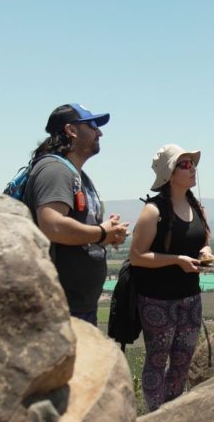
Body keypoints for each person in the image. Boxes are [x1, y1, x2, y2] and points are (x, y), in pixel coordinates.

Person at [23, 103, 129, 325]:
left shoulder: (77, 175)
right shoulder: (55, 170)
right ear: (71, 130)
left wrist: (108, 234)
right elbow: (52, 225)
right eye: (92, 125)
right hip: (60, 307)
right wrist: (101, 233)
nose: (100, 132)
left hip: (77, 305)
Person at [128, 144, 213, 412]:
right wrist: (177, 260)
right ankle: (155, 416)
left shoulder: (197, 207)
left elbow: (205, 241)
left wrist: (205, 252)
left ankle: (173, 413)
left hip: (190, 298)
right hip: (157, 300)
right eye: (185, 165)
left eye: (193, 164)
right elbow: (137, 256)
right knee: (157, 360)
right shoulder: (154, 211)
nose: (192, 169)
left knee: (182, 362)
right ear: (169, 173)